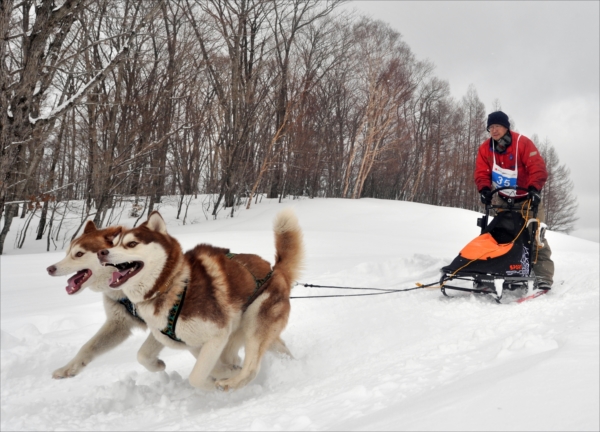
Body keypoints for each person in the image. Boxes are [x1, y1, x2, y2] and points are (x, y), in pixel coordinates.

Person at [474, 110, 554, 290]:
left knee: (535, 236)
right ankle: (502, 269)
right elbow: (482, 172)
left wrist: (535, 188)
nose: (494, 130)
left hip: (527, 199)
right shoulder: (486, 148)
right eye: (491, 127)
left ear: (506, 127)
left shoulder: (522, 143)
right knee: (501, 235)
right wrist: (484, 189)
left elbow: (537, 167)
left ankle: (543, 276)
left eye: (498, 126)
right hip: (503, 199)